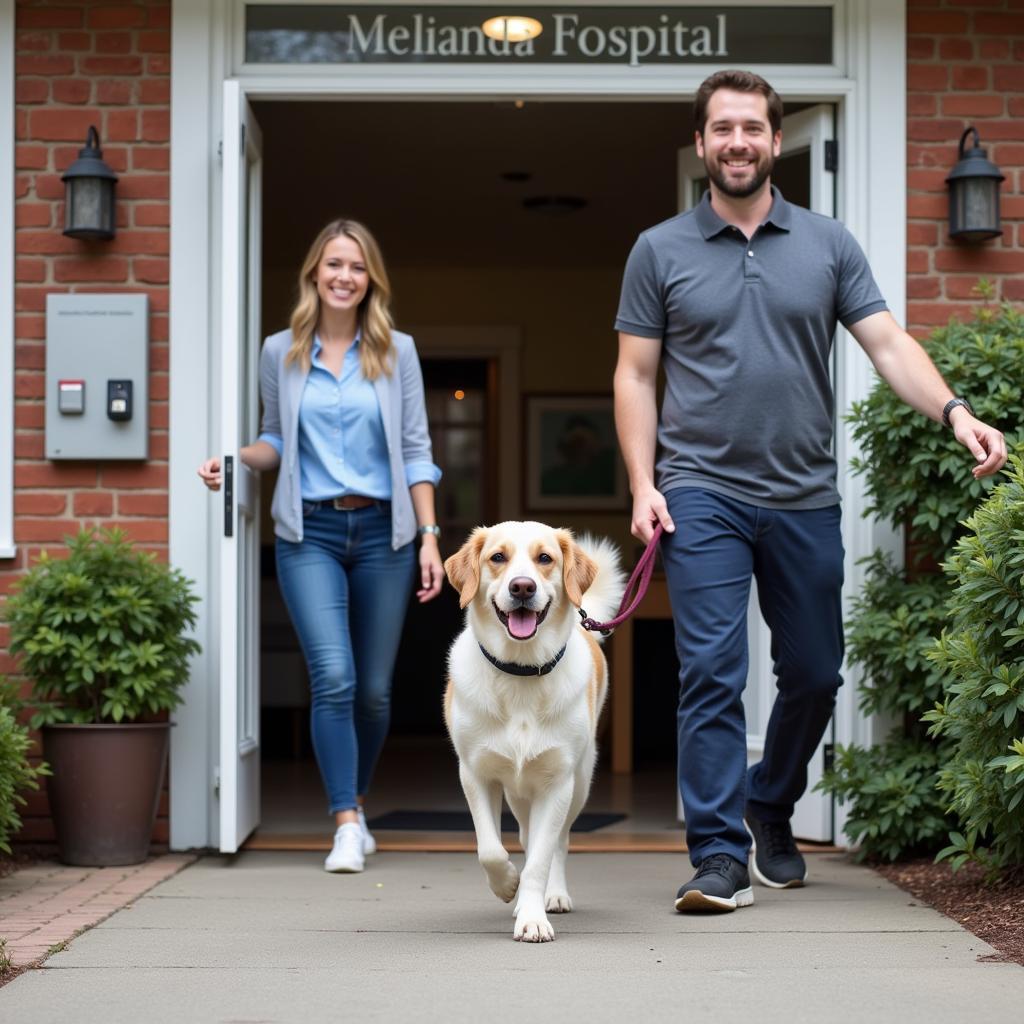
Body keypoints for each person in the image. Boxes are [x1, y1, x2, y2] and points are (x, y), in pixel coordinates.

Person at [613, 70, 1007, 913]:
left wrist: (956, 411)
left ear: (775, 138)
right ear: (701, 143)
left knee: (817, 673)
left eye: (752, 128)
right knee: (711, 672)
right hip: (701, 491)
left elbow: (889, 343)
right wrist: (645, 483)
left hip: (802, 496)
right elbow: (635, 374)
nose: (738, 143)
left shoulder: (827, 243)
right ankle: (717, 856)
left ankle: (769, 802)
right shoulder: (659, 249)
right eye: (722, 129)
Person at [199, 218, 445, 874]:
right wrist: (236, 458)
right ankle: (343, 821)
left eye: (357, 267)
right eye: (334, 264)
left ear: (371, 281)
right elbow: (274, 438)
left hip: (385, 537)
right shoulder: (279, 350)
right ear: (314, 272)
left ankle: (357, 803)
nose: (344, 276)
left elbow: (417, 449)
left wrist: (429, 535)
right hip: (309, 533)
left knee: (374, 691)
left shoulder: (398, 352)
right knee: (332, 676)